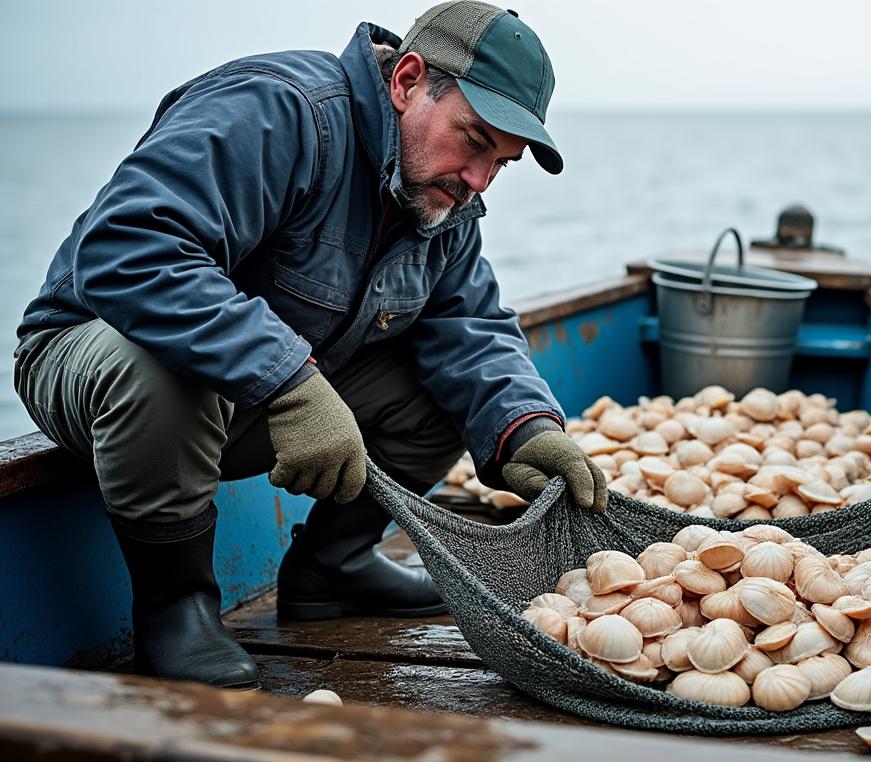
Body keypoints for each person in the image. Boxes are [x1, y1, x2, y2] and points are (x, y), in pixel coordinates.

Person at [11, 1, 606, 692]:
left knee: (454, 395)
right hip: (96, 362)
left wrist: (525, 431)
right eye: (474, 140)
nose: (479, 180)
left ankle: (332, 566)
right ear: (408, 80)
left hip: (246, 396)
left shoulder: (442, 197)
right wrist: (288, 380)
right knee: (162, 371)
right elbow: (129, 253)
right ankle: (176, 607)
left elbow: (469, 329)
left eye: (501, 163)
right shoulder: (275, 110)